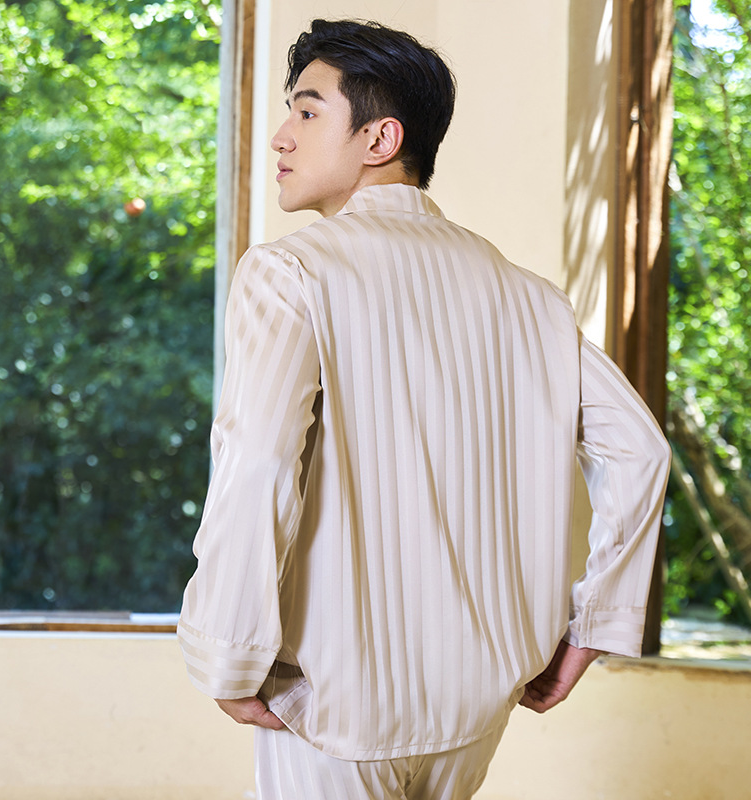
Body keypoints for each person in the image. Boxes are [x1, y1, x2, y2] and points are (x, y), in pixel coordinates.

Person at [177, 18, 671, 800]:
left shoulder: (289, 274)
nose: (280, 137)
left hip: (332, 705)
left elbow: (259, 462)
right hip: (477, 707)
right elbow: (641, 451)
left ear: (379, 138)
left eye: (306, 111)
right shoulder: (531, 299)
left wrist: (226, 655)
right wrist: (596, 626)